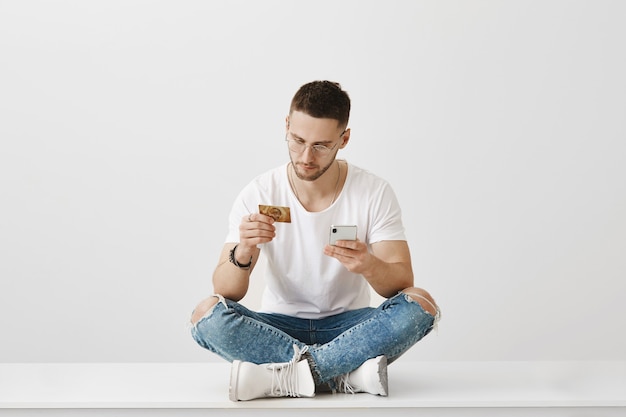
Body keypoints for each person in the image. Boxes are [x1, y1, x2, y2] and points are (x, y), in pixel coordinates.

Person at [190, 80, 440, 401]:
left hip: (350, 327)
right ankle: (341, 373)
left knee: (421, 304)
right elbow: (225, 291)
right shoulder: (260, 191)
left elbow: (402, 283)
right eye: (297, 140)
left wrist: (368, 264)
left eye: (321, 145)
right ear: (287, 125)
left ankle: (284, 378)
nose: (306, 156)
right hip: (278, 326)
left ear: (344, 138)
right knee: (205, 313)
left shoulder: (373, 191)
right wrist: (244, 250)